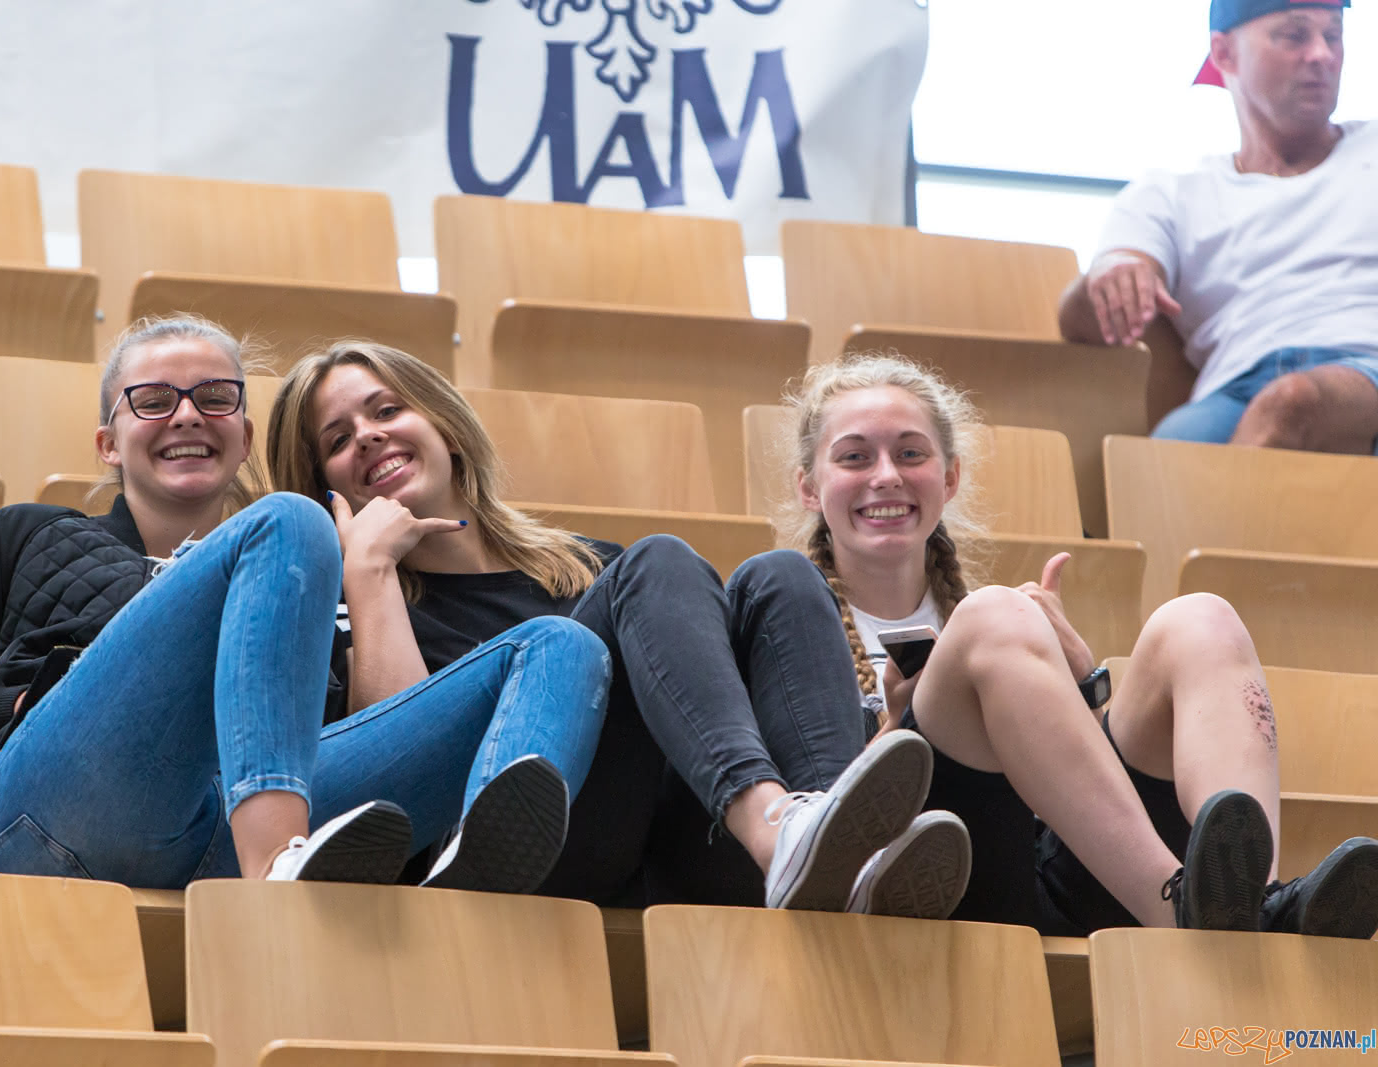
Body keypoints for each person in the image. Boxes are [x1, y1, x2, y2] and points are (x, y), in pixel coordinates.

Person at [0, 315, 611, 892]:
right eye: (152, 400)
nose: (186, 415)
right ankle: (278, 868)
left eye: (214, 398)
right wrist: (15, 704)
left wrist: (367, 581)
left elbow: (384, 736)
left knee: (561, 644)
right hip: (60, 815)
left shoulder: (317, 583)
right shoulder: (28, 537)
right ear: (108, 443)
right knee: (290, 521)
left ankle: (469, 882)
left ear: (244, 435)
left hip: (217, 836)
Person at [265, 340, 973, 916]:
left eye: (387, 408)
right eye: (337, 439)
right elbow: (409, 767)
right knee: (658, 558)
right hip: (518, 851)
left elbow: (715, 706)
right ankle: (785, 832)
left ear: (444, 423)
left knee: (781, 575)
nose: (368, 436)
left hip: (691, 841)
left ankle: (830, 851)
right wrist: (369, 571)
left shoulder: (593, 570)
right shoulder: (343, 608)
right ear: (324, 485)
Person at [788, 350, 1378, 936]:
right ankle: (1181, 909)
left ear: (949, 478)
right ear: (810, 488)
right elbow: (804, 842)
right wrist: (897, 723)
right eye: (855, 457)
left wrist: (1084, 686)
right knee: (993, 614)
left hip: (1060, 867)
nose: (887, 474)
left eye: (910, 453)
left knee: (1202, 621)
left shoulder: (994, 624)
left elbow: (1060, 799)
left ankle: (1253, 901)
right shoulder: (786, 621)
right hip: (936, 882)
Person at [1058, 0, 1378, 452]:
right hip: (1234, 391)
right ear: (1224, 54)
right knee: (1170, 449)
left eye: (1333, 35)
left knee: (1291, 404)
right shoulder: (1171, 194)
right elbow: (1082, 316)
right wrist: (1115, 275)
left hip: (1365, 370)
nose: (1322, 54)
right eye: (1295, 35)